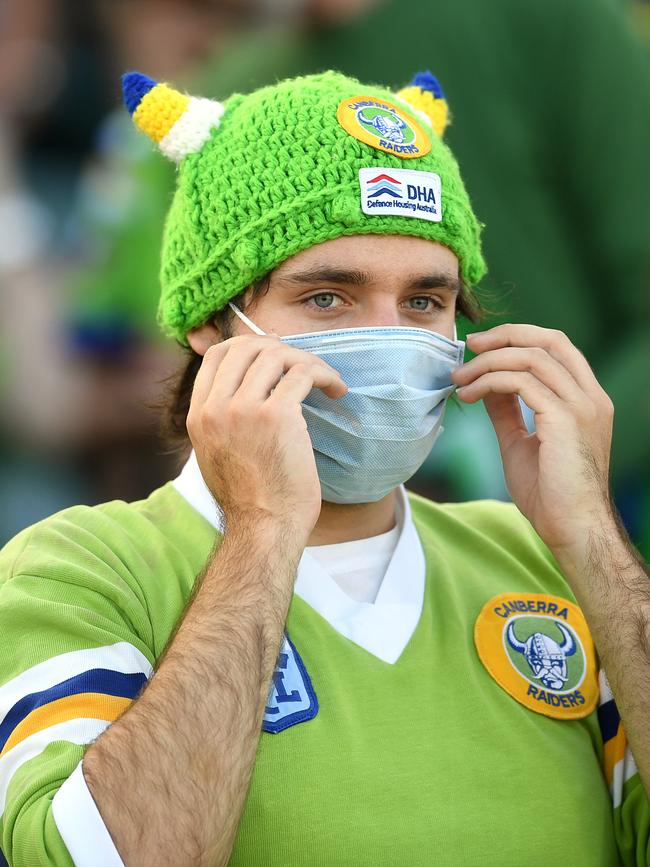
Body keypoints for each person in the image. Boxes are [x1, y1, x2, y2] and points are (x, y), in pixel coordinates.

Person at [0, 68, 648, 867]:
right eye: (329, 298)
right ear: (213, 322)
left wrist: (591, 536)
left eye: (423, 302)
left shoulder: (539, 561)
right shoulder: (78, 570)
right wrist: (266, 529)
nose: (390, 338)